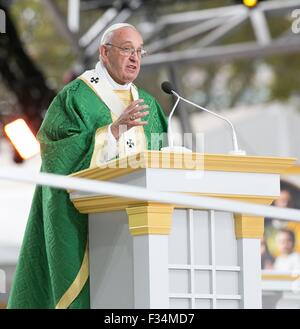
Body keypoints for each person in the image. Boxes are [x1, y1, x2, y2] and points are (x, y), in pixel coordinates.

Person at [8, 23, 168, 309]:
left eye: (139, 51)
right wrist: (113, 132)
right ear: (104, 53)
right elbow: (56, 155)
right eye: (127, 49)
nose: (135, 58)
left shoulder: (150, 105)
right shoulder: (75, 98)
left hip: (141, 228)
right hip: (88, 226)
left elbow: (161, 159)